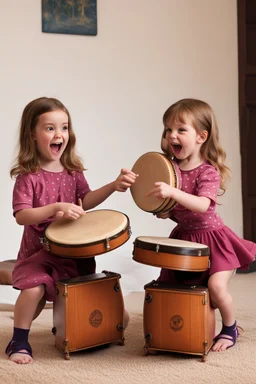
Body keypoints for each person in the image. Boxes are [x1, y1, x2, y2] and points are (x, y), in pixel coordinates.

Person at [6, 97, 137, 364]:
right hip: (38, 255)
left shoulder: (73, 172)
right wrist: (55, 208)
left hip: (73, 255)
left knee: (115, 315)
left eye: (64, 127)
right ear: (32, 134)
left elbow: (85, 200)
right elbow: (22, 215)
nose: (59, 134)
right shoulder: (28, 176)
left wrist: (113, 185)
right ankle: (18, 341)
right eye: (50, 128)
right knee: (34, 292)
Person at [146, 98, 256, 352]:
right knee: (169, 286)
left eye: (181, 129)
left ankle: (230, 328)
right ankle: (175, 327)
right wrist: (164, 211)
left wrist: (172, 194)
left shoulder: (208, 171)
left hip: (214, 240)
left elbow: (202, 205)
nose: (172, 135)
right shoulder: (170, 169)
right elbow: (177, 210)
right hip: (184, 238)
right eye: (168, 130)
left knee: (216, 287)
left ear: (201, 137)